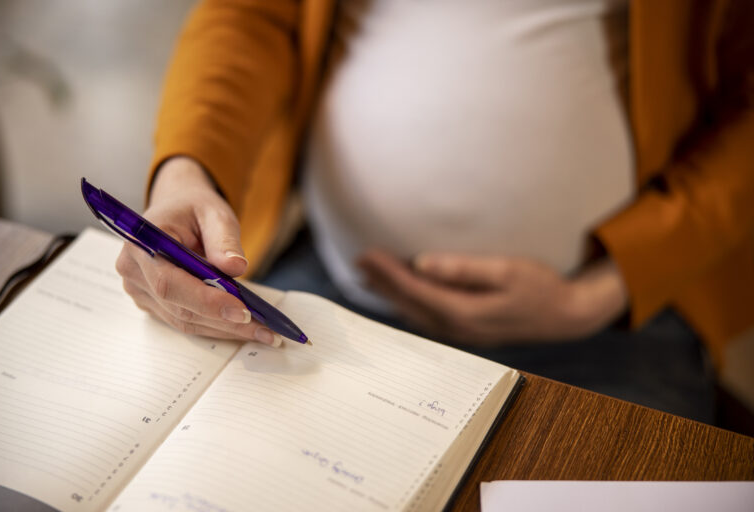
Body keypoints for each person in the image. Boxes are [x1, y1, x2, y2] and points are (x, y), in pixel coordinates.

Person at [115, 0, 754, 424]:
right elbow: (251, 15)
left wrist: (606, 289)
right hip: (335, 299)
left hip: (614, 326)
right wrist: (187, 167)